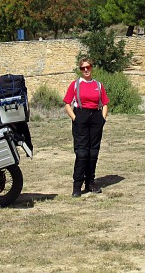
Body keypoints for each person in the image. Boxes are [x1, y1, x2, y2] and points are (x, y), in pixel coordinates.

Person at [63, 57, 109, 197]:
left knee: (93, 152)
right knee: (82, 153)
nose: (86, 70)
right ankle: (77, 186)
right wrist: (75, 118)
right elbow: (67, 103)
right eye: (83, 68)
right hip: (80, 117)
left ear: (91, 67)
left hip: (96, 117)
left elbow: (105, 103)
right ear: (80, 70)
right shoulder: (75, 84)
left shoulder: (98, 85)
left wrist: (102, 118)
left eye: (88, 67)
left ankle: (90, 183)